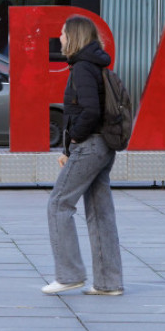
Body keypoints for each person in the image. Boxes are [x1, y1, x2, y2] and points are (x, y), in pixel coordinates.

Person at [43, 15, 123, 296]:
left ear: (74, 36)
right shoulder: (96, 65)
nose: (60, 37)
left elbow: (89, 111)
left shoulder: (82, 68)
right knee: (101, 214)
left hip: (89, 145)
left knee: (58, 204)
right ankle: (108, 283)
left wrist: (74, 140)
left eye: (63, 33)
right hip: (103, 146)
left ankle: (69, 275)